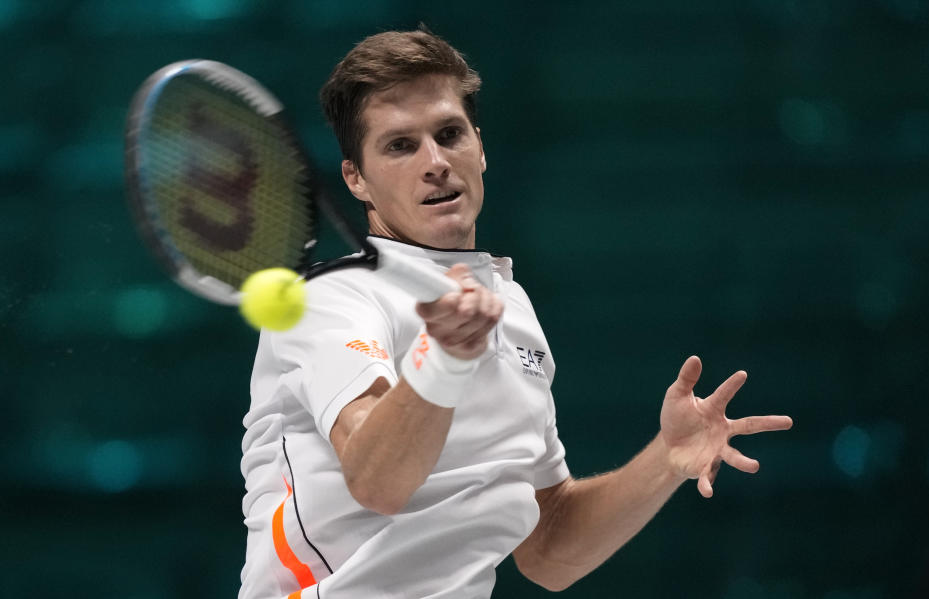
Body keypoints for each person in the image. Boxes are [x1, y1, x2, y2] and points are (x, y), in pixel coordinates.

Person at [239, 27, 793, 599]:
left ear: (479, 147)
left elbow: (549, 547)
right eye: (400, 145)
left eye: (448, 134)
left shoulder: (513, 310)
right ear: (356, 178)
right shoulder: (332, 297)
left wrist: (667, 459)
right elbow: (377, 481)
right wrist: (445, 359)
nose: (434, 161)